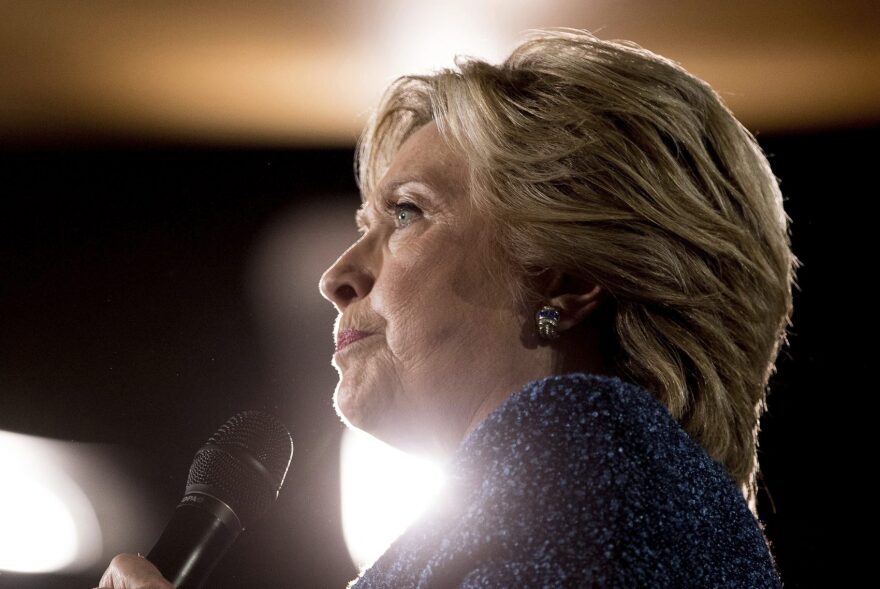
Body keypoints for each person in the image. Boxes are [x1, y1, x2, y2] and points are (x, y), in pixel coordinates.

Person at [97, 29, 796, 588]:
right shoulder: (647, 499)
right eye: (364, 223)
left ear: (565, 278)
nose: (337, 276)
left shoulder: (592, 469)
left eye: (407, 213)